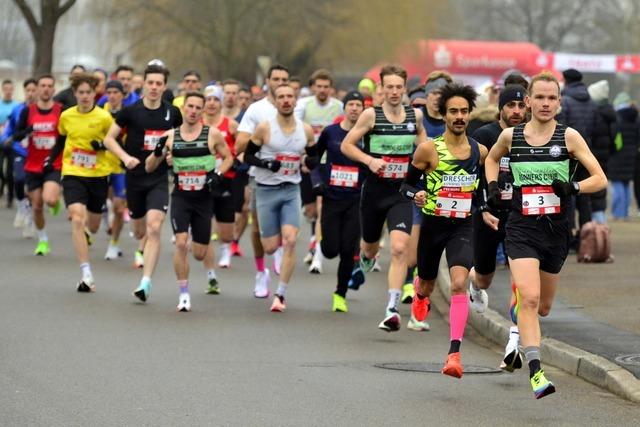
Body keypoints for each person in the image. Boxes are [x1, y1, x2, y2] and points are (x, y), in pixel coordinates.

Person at [485, 71, 606, 398]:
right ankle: (536, 371)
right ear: (528, 101)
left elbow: (600, 178)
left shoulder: (569, 137)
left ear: (559, 102)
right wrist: (493, 187)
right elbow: (492, 159)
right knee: (530, 296)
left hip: (556, 229)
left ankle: (520, 314)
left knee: (543, 306)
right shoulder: (512, 136)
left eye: (552, 98)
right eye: (539, 97)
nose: (545, 103)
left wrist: (574, 186)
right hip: (522, 226)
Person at [402, 83, 487, 377]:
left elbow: (483, 193)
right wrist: (417, 194)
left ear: (470, 114)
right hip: (433, 226)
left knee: (459, 283)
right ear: (444, 115)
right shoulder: (428, 150)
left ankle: (454, 354)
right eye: (454, 111)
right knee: (426, 283)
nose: (459, 116)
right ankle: (420, 294)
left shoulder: (480, 152)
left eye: (464, 111)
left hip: (463, 226)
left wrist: (487, 211)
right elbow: (406, 185)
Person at [341, 64, 428, 332]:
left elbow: (426, 150)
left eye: (398, 87)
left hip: (401, 192)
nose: (393, 91)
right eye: (388, 87)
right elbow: (347, 145)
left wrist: (427, 178)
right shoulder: (370, 115)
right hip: (375, 191)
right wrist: (369, 160)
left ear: (404, 89)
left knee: (400, 248)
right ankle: (366, 257)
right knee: (369, 246)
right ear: (381, 88)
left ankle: (391, 309)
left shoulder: (415, 116)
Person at [146, 92, 232, 311]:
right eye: (190, 107)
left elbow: (229, 157)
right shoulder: (170, 136)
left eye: (198, 108)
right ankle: (184, 294)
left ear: (202, 111)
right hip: (181, 196)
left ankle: (205, 261)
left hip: (203, 198)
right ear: (184, 109)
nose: (193, 111)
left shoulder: (212, 134)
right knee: (181, 243)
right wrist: (157, 152)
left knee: (199, 252)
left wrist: (218, 174)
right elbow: (149, 166)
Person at [104, 63, 183, 302]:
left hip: (158, 178)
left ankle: (145, 282)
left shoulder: (172, 113)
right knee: (140, 230)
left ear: (164, 86)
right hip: (135, 177)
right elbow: (109, 139)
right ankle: (139, 240)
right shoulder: (131, 111)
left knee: (155, 226)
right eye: (151, 83)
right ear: (144, 84)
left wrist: (172, 155)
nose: (155, 87)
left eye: (159, 83)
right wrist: (126, 157)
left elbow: (181, 140)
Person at [469, 84, 528, 371]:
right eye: (510, 107)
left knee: (522, 282)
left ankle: (513, 345)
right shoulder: (484, 136)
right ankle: (473, 284)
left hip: (520, 219)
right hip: (488, 215)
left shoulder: (531, 137)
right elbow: (471, 177)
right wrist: (481, 208)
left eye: (520, 107)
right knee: (484, 279)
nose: (516, 112)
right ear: (501, 108)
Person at [244, 84, 316, 312]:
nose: (286, 100)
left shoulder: (305, 130)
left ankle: (280, 295)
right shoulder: (264, 128)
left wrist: (308, 163)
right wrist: (266, 163)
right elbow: (247, 156)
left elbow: (314, 158)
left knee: (291, 240)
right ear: (275, 102)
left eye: (289, 97)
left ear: (295, 101)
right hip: (265, 190)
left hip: (290, 191)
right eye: (281, 97)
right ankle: (264, 270)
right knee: (270, 247)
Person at [47, 73, 113, 292]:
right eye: (81, 93)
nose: (85, 96)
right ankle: (86, 273)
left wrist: (101, 146)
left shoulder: (104, 118)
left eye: (89, 92)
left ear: (95, 93)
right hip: (73, 172)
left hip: (98, 175)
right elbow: (62, 139)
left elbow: (113, 142)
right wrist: (51, 157)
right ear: (75, 94)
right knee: (77, 218)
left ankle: (89, 231)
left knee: (92, 225)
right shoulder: (66, 116)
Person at [235, 64, 290, 298]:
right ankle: (260, 272)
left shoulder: (294, 109)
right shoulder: (256, 110)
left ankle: (279, 250)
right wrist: (262, 139)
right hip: (261, 176)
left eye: (284, 79)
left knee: (287, 226)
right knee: (257, 227)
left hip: (290, 177)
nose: (279, 82)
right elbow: (239, 145)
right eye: (275, 78)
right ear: (267, 81)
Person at [313, 90, 366, 312]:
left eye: (358, 105)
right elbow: (313, 158)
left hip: (355, 201)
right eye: (350, 104)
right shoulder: (331, 132)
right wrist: (317, 180)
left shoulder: (368, 135)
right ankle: (321, 246)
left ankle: (340, 294)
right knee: (330, 250)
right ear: (344, 108)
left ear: (364, 110)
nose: (354, 108)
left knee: (347, 250)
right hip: (332, 197)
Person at [294, 69, 344, 274]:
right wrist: (302, 158)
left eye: (326, 86)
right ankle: (315, 237)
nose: (322, 90)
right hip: (309, 162)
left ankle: (317, 254)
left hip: (328, 164)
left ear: (331, 88)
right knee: (311, 210)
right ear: (313, 87)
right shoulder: (304, 106)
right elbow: (296, 131)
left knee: (322, 207)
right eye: (319, 86)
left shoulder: (338, 107)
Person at [15, 74, 63, 255]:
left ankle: (54, 200)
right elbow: (18, 134)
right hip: (32, 165)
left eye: (49, 86)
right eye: (42, 85)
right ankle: (43, 240)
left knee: (49, 199)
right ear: (37, 89)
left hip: (53, 164)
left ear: (54, 89)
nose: (45, 89)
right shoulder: (28, 111)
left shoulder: (60, 110)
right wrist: (26, 132)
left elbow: (67, 136)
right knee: (36, 206)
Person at [201, 84, 238, 284]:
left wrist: (236, 157)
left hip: (225, 179)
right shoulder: (196, 124)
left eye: (216, 99)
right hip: (201, 180)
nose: (212, 103)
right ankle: (210, 266)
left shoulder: (230, 124)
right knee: (203, 225)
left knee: (226, 232)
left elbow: (240, 146)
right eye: (208, 99)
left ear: (221, 102)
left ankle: (226, 249)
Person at [557, 68, 598, 238]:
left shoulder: (564, 101)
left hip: (568, 154)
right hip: (586, 151)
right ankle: (586, 233)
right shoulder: (592, 102)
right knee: (584, 192)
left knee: (569, 191)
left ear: (566, 80)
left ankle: (570, 233)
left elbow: (561, 127)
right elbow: (597, 127)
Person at [2, 78, 37, 232]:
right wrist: (5, 140)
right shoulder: (17, 109)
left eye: (33, 90)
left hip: (38, 153)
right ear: (24, 92)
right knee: (19, 178)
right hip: (20, 150)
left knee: (33, 188)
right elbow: (9, 129)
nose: (30, 93)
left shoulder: (43, 110)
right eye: (28, 90)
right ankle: (22, 206)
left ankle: (30, 216)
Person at [101, 80, 128, 260]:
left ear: (122, 95)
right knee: (102, 204)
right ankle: (104, 213)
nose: (112, 95)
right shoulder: (99, 112)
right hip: (101, 165)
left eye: (115, 92)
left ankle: (114, 243)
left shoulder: (129, 113)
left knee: (119, 208)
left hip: (120, 167)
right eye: (109, 92)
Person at [587, 80, 616, 224]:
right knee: (601, 191)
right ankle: (602, 227)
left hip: (593, 156)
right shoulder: (611, 113)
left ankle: (595, 233)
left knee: (593, 193)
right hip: (605, 156)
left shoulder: (594, 114)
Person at [608, 92, 638, 220]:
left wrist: (613, 150)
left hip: (617, 156)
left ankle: (618, 213)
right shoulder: (636, 118)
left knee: (617, 184)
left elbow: (616, 140)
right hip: (632, 156)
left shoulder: (617, 118)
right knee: (626, 185)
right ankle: (625, 212)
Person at [0, 79, 20, 206]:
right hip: (0, 143)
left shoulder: (17, 107)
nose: (8, 92)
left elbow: (18, 125)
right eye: (5, 89)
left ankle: (10, 198)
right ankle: (3, 184)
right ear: (2, 90)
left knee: (10, 172)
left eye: (10, 89)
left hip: (12, 144)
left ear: (13, 90)